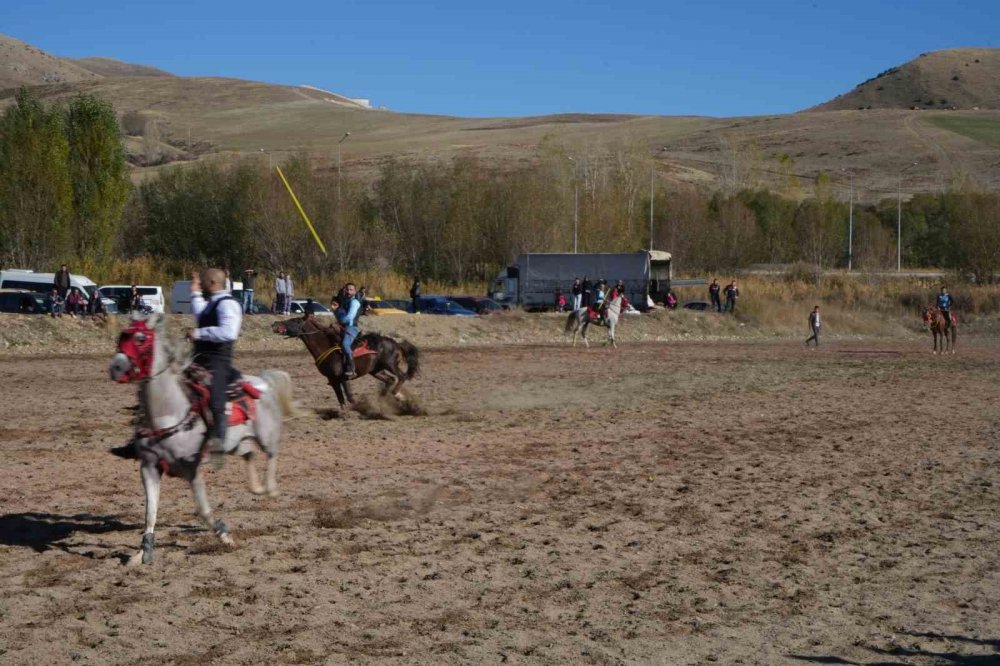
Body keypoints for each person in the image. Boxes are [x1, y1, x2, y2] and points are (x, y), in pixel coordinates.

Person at [187, 268, 243, 456]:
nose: (201, 283)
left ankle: (218, 447)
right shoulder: (213, 303)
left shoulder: (228, 304)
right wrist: (194, 292)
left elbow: (228, 332)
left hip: (217, 361)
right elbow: (201, 314)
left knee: (217, 402)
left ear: (212, 283)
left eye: (202, 281)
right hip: (199, 358)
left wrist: (199, 333)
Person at [335, 282, 362, 378]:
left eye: (351, 290)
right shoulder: (345, 301)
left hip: (351, 328)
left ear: (355, 291)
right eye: (347, 289)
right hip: (343, 327)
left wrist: (340, 321)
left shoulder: (354, 302)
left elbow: (350, 317)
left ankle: (352, 368)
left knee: (345, 344)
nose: (348, 291)